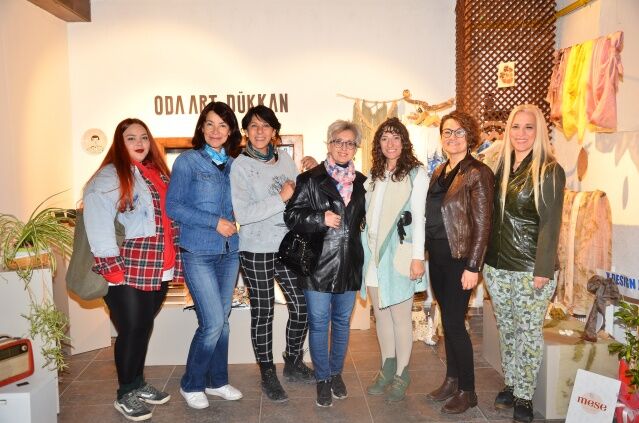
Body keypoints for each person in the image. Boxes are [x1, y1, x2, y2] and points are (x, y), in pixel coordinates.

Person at [83, 118, 180, 421]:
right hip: (127, 266)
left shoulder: (157, 173)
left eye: (144, 137)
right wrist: (112, 268)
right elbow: (98, 224)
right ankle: (125, 393)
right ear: (119, 143)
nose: (139, 143)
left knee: (142, 327)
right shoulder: (110, 176)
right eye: (131, 138)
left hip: (158, 266)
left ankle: (137, 383)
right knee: (132, 329)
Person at [483, 104, 565, 423]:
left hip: (531, 267)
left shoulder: (549, 170)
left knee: (528, 332)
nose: (521, 133)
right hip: (497, 265)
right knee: (507, 329)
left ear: (539, 131)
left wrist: (543, 269)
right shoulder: (499, 165)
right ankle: (512, 383)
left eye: (529, 127)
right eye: (516, 127)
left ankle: (525, 397)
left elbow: (550, 224)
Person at [230, 105, 314, 402]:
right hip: (256, 248)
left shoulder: (286, 160)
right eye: (253, 126)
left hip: (286, 246)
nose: (260, 131)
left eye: (265, 125)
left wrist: (311, 172)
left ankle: (293, 360)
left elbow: (299, 198)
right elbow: (243, 214)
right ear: (246, 132)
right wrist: (281, 198)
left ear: (274, 131)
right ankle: (267, 373)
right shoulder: (240, 166)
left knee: (301, 306)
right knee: (263, 311)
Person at [284, 120, 366, 408]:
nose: (343, 147)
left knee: (341, 323)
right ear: (329, 144)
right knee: (319, 324)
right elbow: (291, 216)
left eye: (349, 143)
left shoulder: (362, 183)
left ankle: (335, 374)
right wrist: (320, 218)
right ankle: (322, 378)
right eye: (338, 141)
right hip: (317, 265)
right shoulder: (310, 179)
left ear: (356, 148)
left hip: (349, 264)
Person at [166, 101, 243, 409]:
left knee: (222, 322)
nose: (215, 130)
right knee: (212, 323)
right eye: (210, 123)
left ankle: (217, 381)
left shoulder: (235, 164)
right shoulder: (188, 162)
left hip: (230, 252)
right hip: (198, 251)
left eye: (222, 125)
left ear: (231, 131)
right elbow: (174, 207)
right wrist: (214, 222)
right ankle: (192, 383)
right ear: (201, 127)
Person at [425, 110, 494, 414]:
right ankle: (452, 380)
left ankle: (468, 390)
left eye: (459, 132)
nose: (452, 137)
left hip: (460, 259)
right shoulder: (440, 171)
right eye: (447, 132)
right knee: (448, 320)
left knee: (455, 324)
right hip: (437, 256)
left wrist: (473, 266)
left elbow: (483, 223)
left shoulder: (478, 172)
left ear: (470, 136)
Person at [360, 117, 428, 401]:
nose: (390, 143)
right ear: (378, 144)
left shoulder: (416, 173)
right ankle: (387, 366)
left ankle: (402, 372)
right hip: (373, 256)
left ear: (404, 142)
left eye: (396, 138)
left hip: (400, 254)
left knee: (400, 318)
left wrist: (417, 258)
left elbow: (420, 218)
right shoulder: (374, 174)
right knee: (381, 316)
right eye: (385, 138)